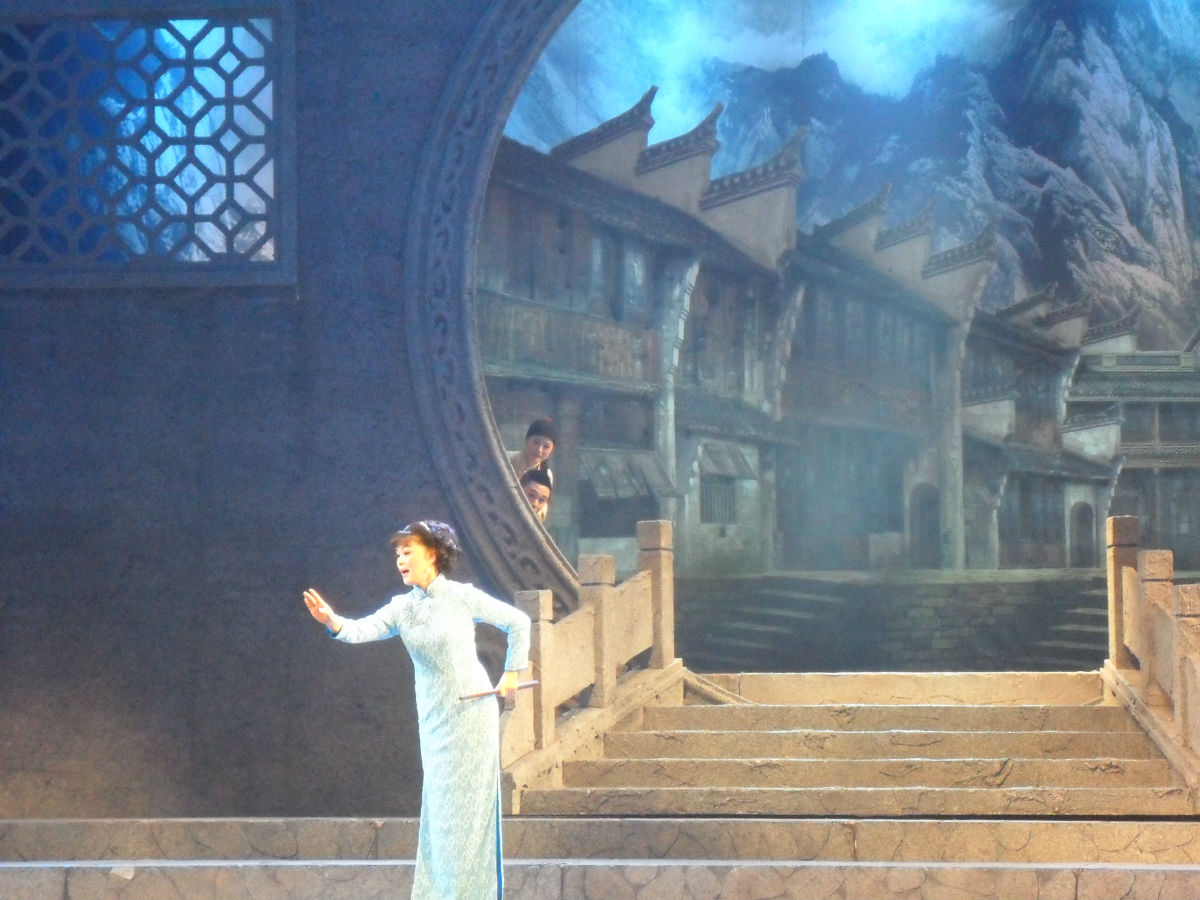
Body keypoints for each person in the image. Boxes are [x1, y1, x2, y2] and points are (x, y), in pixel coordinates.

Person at [303, 520, 531, 900]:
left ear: (433, 553)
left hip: (472, 716)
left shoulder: (461, 596)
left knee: (467, 817)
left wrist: (511, 672)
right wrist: (332, 621)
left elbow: (518, 622)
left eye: (408, 551)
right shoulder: (401, 608)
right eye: (398, 553)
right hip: (435, 720)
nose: (400, 559)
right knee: (440, 816)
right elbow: (361, 629)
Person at [509, 417, 556, 488]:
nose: (539, 450)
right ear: (526, 439)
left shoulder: (547, 475)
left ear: (552, 449)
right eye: (535, 442)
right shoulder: (505, 459)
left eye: (546, 446)